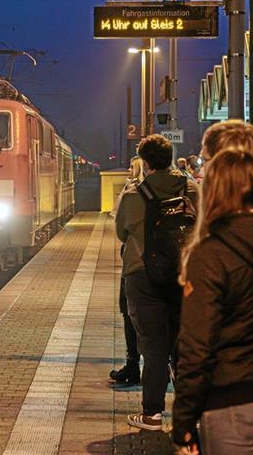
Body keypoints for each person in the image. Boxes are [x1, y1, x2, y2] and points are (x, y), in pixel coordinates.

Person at [172, 148, 253, 454]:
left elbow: (197, 346)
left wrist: (184, 419)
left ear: (213, 191)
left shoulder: (210, 255)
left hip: (233, 401)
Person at [115, 134, 199, 430]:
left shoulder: (132, 194)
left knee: (153, 347)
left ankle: (151, 414)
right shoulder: (192, 189)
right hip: (186, 275)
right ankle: (188, 416)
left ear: (145, 162)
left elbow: (121, 233)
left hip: (143, 276)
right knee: (184, 344)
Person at [109, 156, 144, 385]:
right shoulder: (187, 187)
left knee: (130, 313)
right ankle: (168, 366)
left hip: (137, 264)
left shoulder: (132, 193)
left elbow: (121, 232)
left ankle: (133, 365)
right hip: (175, 266)